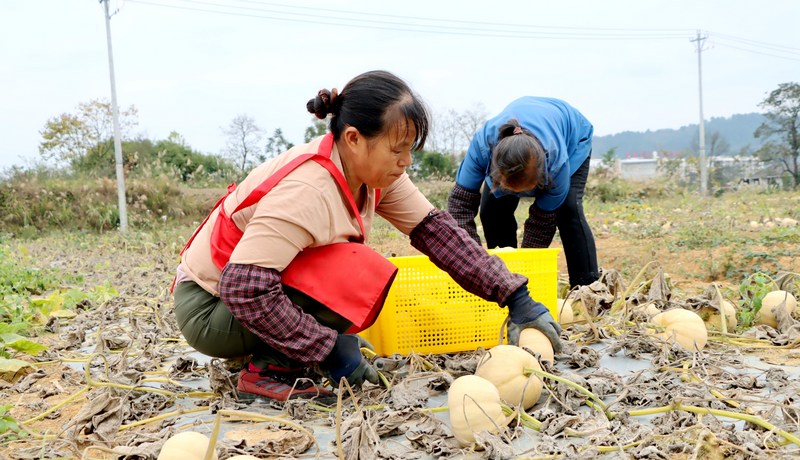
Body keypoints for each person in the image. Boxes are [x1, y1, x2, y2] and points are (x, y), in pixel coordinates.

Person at [172, 71, 561, 403]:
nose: (406, 161)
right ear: (355, 138)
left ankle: (282, 352)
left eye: (409, 149)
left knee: (356, 269)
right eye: (398, 149)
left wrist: (514, 295)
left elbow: (438, 234)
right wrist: (326, 349)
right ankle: (267, 370)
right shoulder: (308, 189)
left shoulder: (374, 175)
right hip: (210, 305)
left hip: (239, 295)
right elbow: (245, 288)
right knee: (355, 271)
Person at [447, 96, 600, 289]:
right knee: (492, 212)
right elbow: (459, 208)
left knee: (568, 211)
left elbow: (541, 225)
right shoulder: (481, 148)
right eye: (511, 189)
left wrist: (528, 272)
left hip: (574, 139)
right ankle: (503, 281)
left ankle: (587, 288)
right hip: (513, 148)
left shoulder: (556, 165)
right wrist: (473, 262)